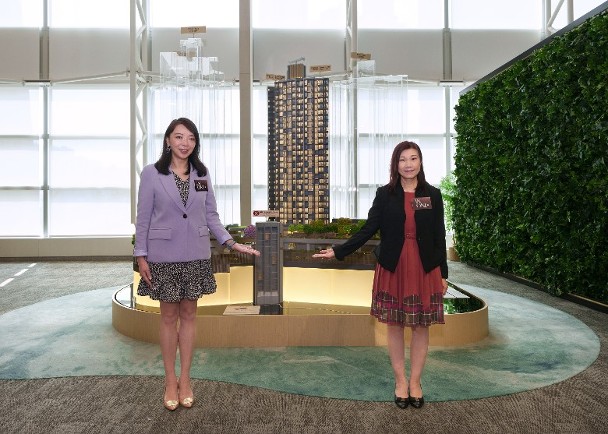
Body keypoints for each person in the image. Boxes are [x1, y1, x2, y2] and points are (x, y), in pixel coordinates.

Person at [134, 117, 260, 410]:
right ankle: (170, 381)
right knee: (168, 317)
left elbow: (211, 216)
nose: (185, 143)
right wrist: (141, 254)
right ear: (168, 140)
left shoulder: (201, 174)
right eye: (179, 137)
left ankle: (186, 379)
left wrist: (231, 243)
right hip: (163, 255)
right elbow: (143, 217)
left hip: (196, 254)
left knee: (190, 314)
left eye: (191, 138)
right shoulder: (152, 173)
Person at [313, 141, 448, 409]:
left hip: (425, 267)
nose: (408, 164)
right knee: (395, 325)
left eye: (413, 158)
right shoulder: (385, 194)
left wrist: (443, 273)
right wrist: (339, 251)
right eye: (402, 159)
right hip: (394, 265)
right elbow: (368, 229)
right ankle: (400, 381)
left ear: (421, 162)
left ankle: (416, 382)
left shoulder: (432, 194)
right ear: (395, 164)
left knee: (421, 326)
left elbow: (439, 235)